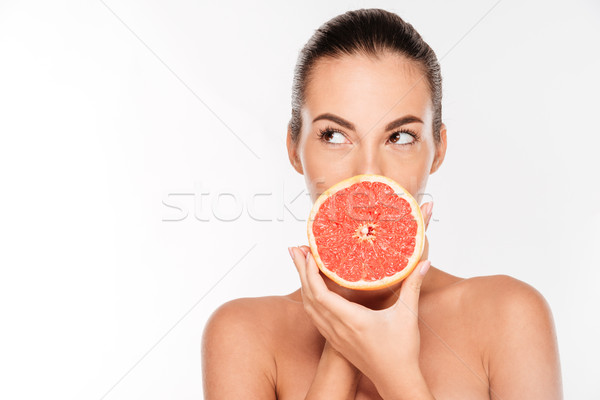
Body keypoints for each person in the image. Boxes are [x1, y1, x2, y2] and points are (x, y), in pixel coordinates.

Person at [201, 8, 562, 399]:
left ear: (438, 149)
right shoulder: (241, 333)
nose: (368, 173)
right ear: (294, 149)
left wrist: (397, 374)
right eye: (335, 136)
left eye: (400, 137)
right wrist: (344, 340)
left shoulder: (510, 316)